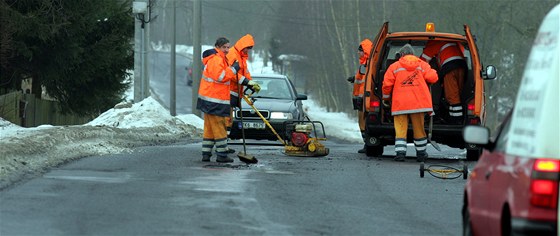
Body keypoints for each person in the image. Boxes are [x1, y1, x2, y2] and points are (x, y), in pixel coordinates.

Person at [382, 44, 438, 162]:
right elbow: (433, 78)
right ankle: (421, 155)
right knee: (419, 129)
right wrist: (431, 69)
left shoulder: (394, 66)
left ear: (401, 55)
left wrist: (386, 99)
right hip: (418, 104)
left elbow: (387, 84)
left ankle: (400, 154)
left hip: (400, 104)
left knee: (400, 129)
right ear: (412, 54)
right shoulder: (422, 65)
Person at [196, 37, 238, 163]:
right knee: (220, 128)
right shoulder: (216, 59)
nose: (226, 50)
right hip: (215, 101)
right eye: (224, 47)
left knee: (209, 128)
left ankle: (206, 153)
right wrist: (234, 69)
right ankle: (222, 155)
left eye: (228, 47)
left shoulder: (217, 59)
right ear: (217, 47)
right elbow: (221, 77)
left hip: (209, 100)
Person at [420, 40, 467, 124]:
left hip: (449, 67)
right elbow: (462, 50)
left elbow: (423, 61)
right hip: (462, 65)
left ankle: (456, 122)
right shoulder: (454, 42)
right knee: (458, 94)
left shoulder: (432, 43)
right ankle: (458, 119)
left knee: (452, 96)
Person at [347, 39, 373, 153]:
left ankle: (367, 144)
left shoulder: (367, 64)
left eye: (360, 51)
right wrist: (354, 78)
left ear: (365, 52)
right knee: (363, 122)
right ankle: (367, 143)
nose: (358, 53)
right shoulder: (366, 64)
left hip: (364, 98)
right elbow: (362, 78)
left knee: (363, 122)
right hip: (362, 97)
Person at [226, 34, 261, 116]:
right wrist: (246, 81)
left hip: (235, 92)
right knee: (227, 119)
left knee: (230, 119)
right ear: (242, 46)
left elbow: (245, 72)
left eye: (249, 49)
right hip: (229, 91)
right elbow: (229, 73)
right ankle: (227, 129)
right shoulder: (232, 54)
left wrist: (251, 83)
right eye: (247, 48)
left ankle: (228, 128)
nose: (247, 50)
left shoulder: (242, 57)